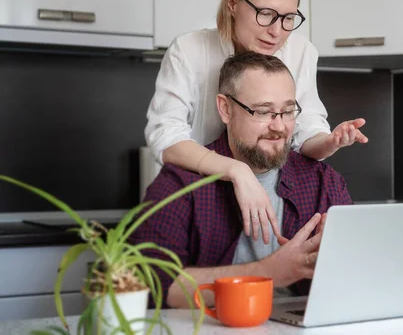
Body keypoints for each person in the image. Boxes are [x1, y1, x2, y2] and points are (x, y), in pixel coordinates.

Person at [144, 0, 366, 244]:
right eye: (265, 14)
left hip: (267, 188)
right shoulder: (190, 51)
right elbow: (165, 135)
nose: (276, 31)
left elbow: (306, 129)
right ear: (233, 3)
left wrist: (329, 142)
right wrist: (237, 171)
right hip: (200, 195)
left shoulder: (301, 52)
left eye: (288, 18)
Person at [132, 52, 353, 308]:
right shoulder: (181, 184)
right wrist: (268, 272)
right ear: (225, 109)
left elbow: (357, 278)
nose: (279, 127)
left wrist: (339, 259)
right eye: (263, 112)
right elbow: (147, 284)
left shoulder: (324, 183)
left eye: (288, 111)